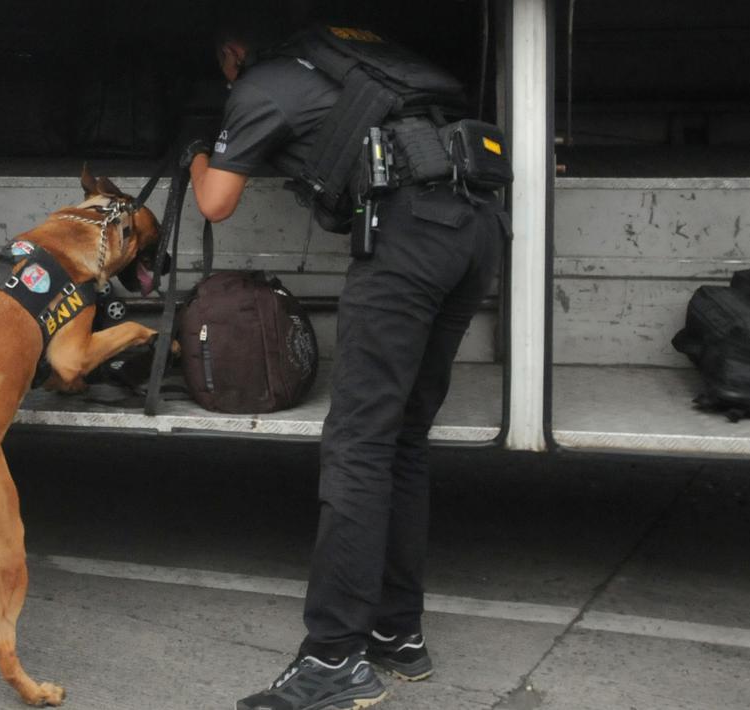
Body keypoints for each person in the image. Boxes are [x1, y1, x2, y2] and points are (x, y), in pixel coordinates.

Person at [181, 14, 508, 710]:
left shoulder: (260, 86)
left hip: (410, 238)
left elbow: (215, 201)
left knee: (357, 444)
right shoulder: (360, 62)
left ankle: (332, 659)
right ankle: (397, 634)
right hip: (476, 226)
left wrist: (196, 155)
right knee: (400, 440)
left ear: (230, 50)